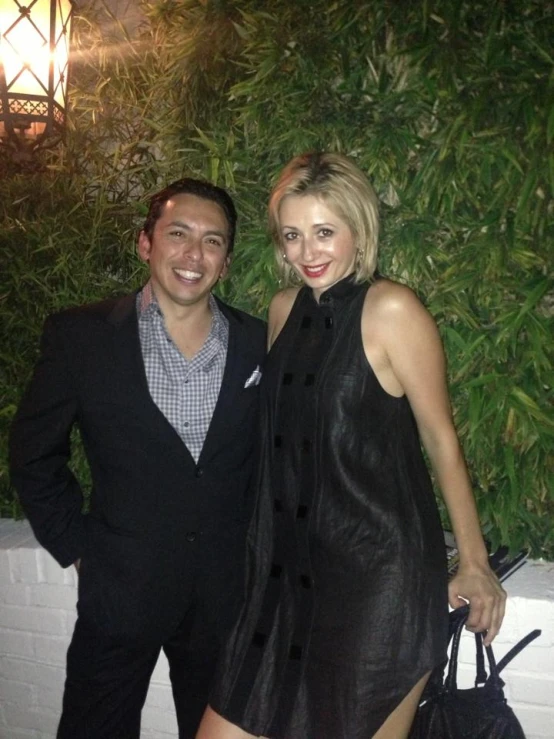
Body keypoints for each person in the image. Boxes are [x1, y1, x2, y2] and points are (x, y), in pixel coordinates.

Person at [195, 153, 507, 739]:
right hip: (285, 576)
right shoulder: (282, 310)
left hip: (375, 583)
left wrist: (473, 562)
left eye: (324, 232)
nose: (307, 252)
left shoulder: (392, 309)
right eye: (292, 235)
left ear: (357, 231)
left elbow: (441, 440)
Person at [9, 178, 266, 739]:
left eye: (213, 241)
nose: (193, 255)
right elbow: (33, 453)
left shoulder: (260, 344)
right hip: (119, 594)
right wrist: (79, 549)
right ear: (145, 243)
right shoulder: (81, 337)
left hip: (225, 602)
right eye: (178, 234)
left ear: (225, 261)